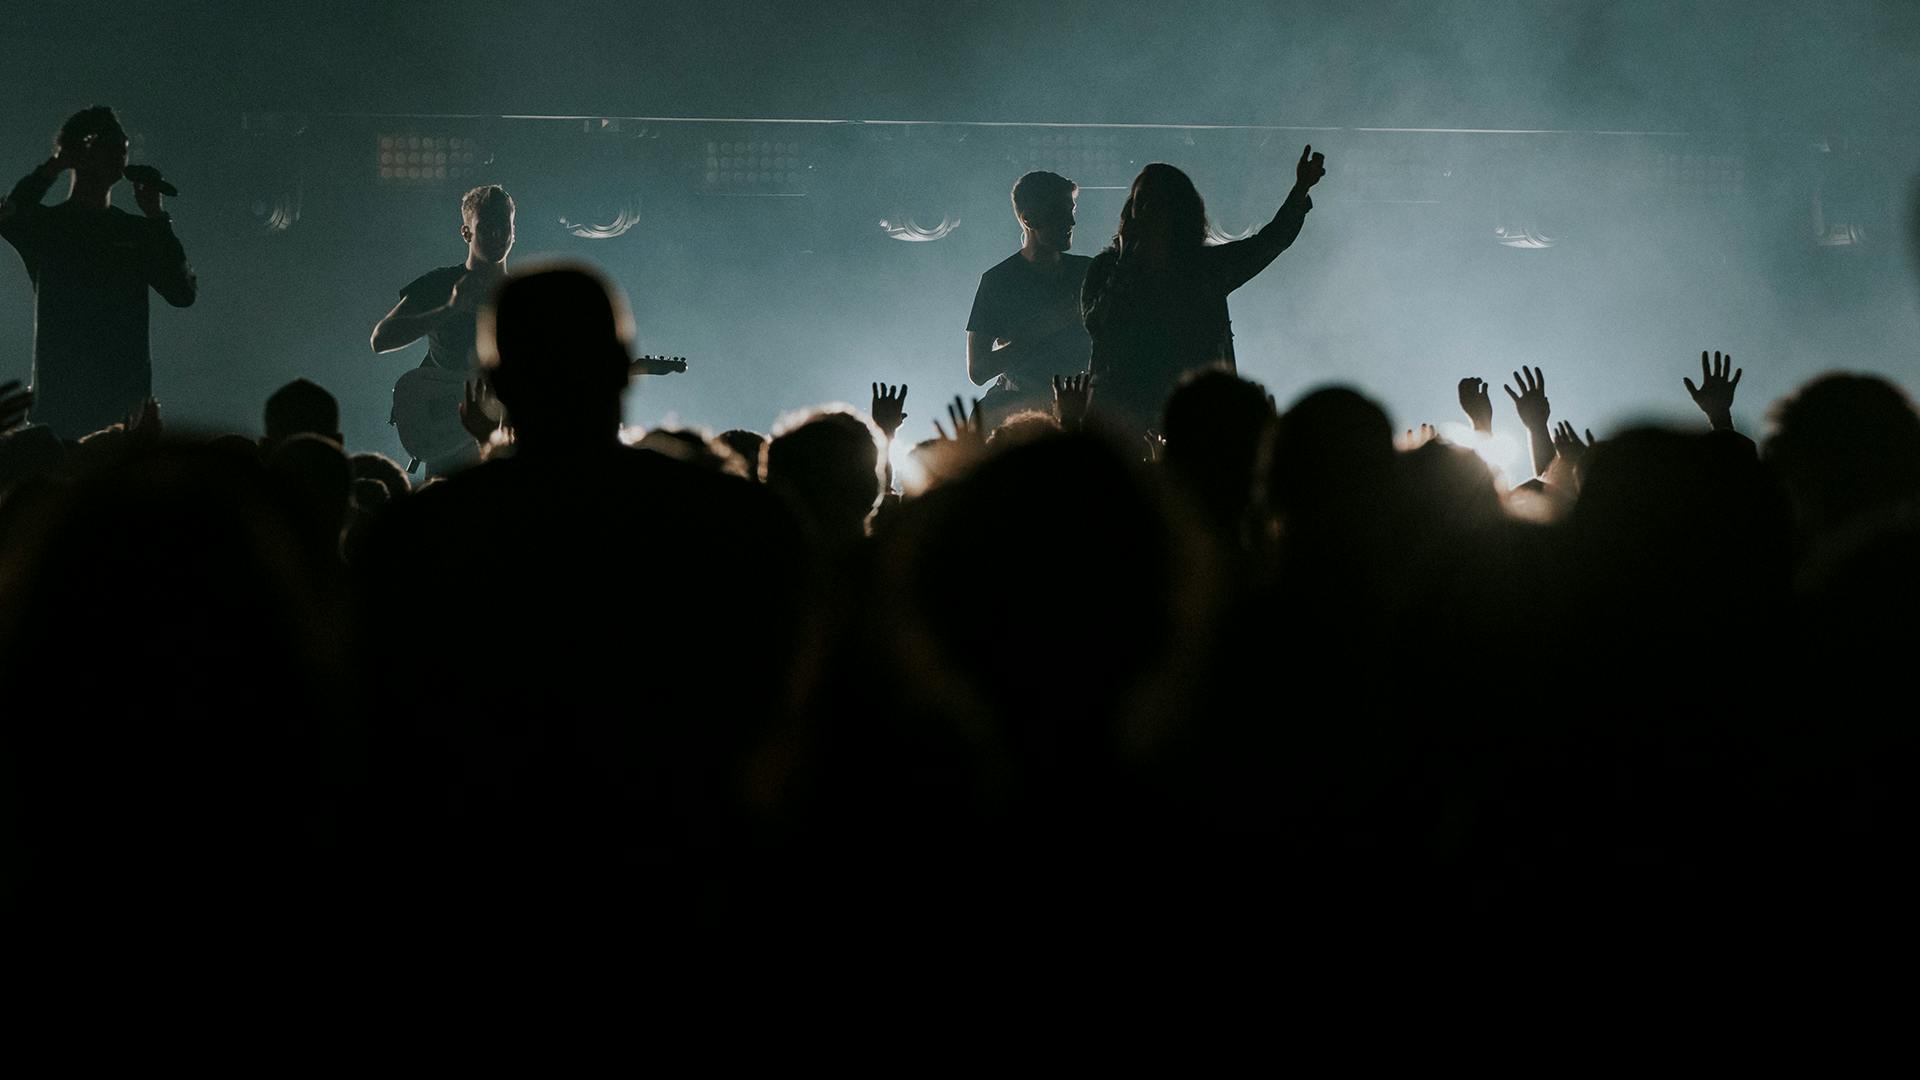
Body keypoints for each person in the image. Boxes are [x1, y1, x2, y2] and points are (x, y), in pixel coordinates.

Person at [1080, 146, 1325, 438]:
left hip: (1197, 415)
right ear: (1131, 208)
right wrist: (1126, 261)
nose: (1148, 210)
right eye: (1142, 201)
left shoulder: (1204, 268)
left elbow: (1269, 242)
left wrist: (1300, 190)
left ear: (1178, 211)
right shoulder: (1109, 267)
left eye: (1158, 202)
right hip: (1123, 417)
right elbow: (1097, 325)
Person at [0, 106, 196, 439]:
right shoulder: (48, 226)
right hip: (64, 408)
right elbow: (10, 215)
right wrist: (55, 164)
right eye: (108, 145)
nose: (119, 155)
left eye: (123, 147)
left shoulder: (135, 232)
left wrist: (157, 220)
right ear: (79, 152)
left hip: (124, 410)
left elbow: (182, 293)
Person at [370, 184, 514, 473]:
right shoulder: (440, 283)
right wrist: (450, 308)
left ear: (514, 230)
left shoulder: (524, 293)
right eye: (487, 227)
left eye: (504, 226)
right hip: (450, 438)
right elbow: (381, 339)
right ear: (466, 232)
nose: (498, 235)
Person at [964, 171, 1093, 430]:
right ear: (1028, 219)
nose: (1071, 221)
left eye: (1072, 210)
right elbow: (978, 371)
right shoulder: (998, 281)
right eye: (1059, 212)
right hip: (1021, 414)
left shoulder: (1089, 271)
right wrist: (1041, 330)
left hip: (1086, 408)